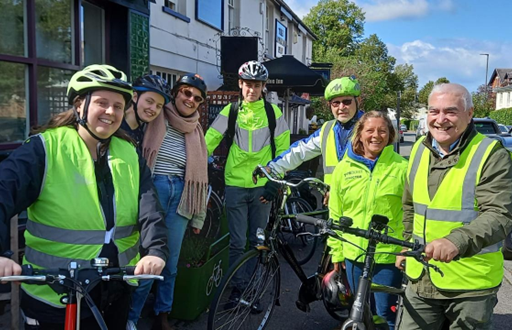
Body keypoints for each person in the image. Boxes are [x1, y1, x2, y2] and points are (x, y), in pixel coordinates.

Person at [0, 64, 168, 329]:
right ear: (80, 105)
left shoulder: (129, 152)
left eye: (118, 106)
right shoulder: (46, 148)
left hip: (114, 287)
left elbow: (150, 208)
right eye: (102, 102)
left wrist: (156, 251)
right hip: (56, 292)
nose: (111, 112)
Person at [396, 83, 512, 330]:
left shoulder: (490, 154)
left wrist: (456, 241)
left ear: (469, 114)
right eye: (433, 111)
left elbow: (499, 215)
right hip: (421, 277)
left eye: (450, 112)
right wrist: (405, 244)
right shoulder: (419, 148)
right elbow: (410, 206)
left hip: (470, 284)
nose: (440, 120)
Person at [205, 61, 289, 304]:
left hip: (263, 187)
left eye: (257, 85)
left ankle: (254, 291)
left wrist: (276, 181)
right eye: (248, 84)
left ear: (263, 87)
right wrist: (194, 166)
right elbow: (208, 140)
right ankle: (238, 290)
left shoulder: (274, 113)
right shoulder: (230, 111)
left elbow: (284, 151)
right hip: (235, 185)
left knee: (257, 241)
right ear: (240, 84)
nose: (252, 89)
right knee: (237, 242)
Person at [129, 73, 209, 330]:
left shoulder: (197, 129)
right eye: (186, 93)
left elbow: (201, 177)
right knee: (145, 258)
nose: (191, 100)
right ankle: (131, 316)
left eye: (197, 98)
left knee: (170, 262)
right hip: (153, 188)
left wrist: (198, 216)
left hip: (183, 194)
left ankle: (162, 314)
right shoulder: (156, 115)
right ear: (176, 93)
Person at [327, 111, 407, 330]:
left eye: (382, 130)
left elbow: (411, 213)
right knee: (359, 313)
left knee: (385, 318)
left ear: (390, 135)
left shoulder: (402, 168)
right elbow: (335, 212)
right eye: (370, 130)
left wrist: (403, 249)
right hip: (354, 254)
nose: (376, 136)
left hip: (387, 257)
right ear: (360, 134)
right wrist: (337, 251)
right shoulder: (344, 168)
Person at [263, 76, 364, 204]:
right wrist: (273, 169)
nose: (341, 107)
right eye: (335, 103)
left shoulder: (372, 128)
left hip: (363, 204)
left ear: (358, 100)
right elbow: (300, 151)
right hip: (335, 203)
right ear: (330, 105)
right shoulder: (327, 129)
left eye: (347, 102)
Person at [120, 74, 171, 147]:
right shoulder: (115, 127)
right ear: (135, 97)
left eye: (159, 106)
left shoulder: (144, 133)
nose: (153, 109)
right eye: (149, 101)